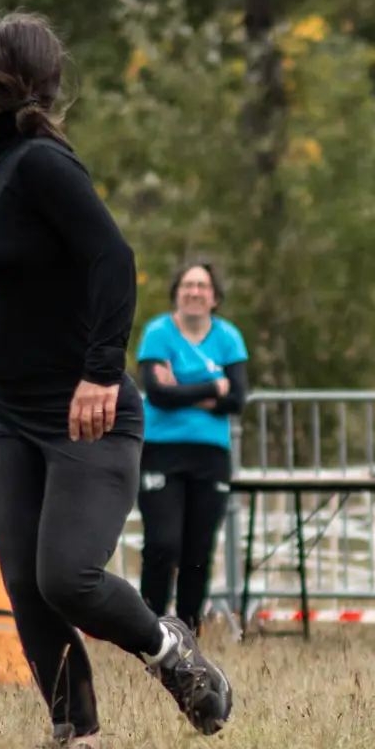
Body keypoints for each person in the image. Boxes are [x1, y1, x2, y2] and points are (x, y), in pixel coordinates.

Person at [0, 12, 231, 749]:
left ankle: (172, 652)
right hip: (13, 421)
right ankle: (75, 733)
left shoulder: (43, 166)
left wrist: (98, 373)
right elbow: (10, 309)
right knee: (25, 581)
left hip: (88, 416)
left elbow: (113, 260)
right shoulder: (9, 174)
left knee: (69, 576)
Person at [135, 260, 248, 634]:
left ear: (214, 296)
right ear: (177, 292)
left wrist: (182, 388)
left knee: (198, 550)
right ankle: (149, 629)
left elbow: (237, 400)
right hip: (161, 450)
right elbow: (158, 394)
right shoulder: (157, 333)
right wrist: (213, 387)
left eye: (202, 285)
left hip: (210, 455)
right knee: (163, 543)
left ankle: (187, 632)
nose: (195, 292)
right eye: (187, 285)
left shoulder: (228, 337)